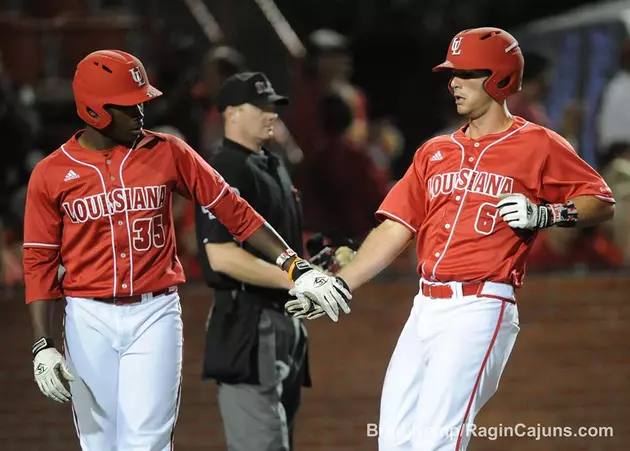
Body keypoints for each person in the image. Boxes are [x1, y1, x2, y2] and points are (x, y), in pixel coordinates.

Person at [285, 27, 616, 450]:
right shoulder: (434, 151)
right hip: (424, 307)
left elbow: (600, 200)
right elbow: (395, 227)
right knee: (394, 443)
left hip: (480, 306)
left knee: (435, 443)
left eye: (465, 73)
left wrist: (545, 213)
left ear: (498, 77)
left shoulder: (537, 143)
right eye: (452, 73)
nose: (453, 82)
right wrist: (340, 282)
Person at [22, 50, 338, 451]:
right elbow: (38, 262)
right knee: (99, 444)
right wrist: (42, 345)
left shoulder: (168, 151)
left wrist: (295, 266)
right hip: (88, 317)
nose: (140, 112)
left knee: (148, 443)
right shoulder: (51, 173)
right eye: (128, 104)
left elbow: (233, 210)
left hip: (155, 313)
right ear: (95, 110)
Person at [194, 72, 310, 451]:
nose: (270, 113)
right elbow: (221, 255)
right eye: (259, 106)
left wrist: (316, 261)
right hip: (247, 318)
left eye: (273, 105)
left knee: (280, 442)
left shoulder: (270, 162)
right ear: (230, 113)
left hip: (283, 320)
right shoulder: (225, 168)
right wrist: (297, 278)